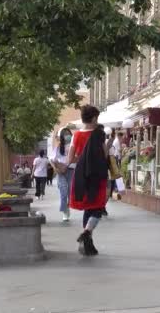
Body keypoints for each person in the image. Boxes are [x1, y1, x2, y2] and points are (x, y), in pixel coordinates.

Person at [67, 105, 109, 256]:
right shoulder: (100, 134)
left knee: (88, 208)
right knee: (97, 207)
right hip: (97, 175)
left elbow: (70, 159)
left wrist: (83, 158)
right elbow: (105, 155)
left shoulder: (76, 135)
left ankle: (87, 244)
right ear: (94, 118)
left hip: (81, 175)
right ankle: (86, 232)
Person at [50, 127, 74, 222]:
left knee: (70, 193)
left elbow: (78, 158)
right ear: (62, 136)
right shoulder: (59, 147)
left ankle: (67, 207)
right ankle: (64, 211)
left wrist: (67, 165)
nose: (67, 135)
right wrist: (55, 168)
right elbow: (52, 159)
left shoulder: (74, 146)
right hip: (61, 173)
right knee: (63, 192)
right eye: (64, 134)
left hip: (71, 171)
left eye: (68, 133)